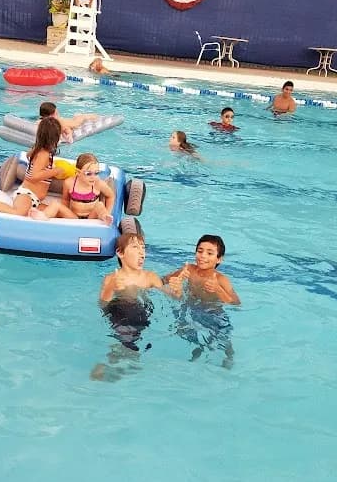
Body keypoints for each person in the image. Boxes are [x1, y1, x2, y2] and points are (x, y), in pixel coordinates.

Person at [0, 117, 74, 220]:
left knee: (55, 212)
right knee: (19, 212)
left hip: (35, 200)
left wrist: (46, 168)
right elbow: (33, 176)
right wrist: (55, 171)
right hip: (27, 194)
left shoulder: (40, 151)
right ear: (54, 137)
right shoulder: (43, 154)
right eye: (59, 134)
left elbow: (30, 156)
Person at [92, 233, 169, 380]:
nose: (141, 252)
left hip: (141, 313)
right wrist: (112, 287)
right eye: (135, 247)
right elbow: (102, 304)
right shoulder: (111, 278)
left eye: (143, 248)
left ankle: (114, 363)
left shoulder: (150, 277)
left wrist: (176, 289)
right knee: (129, 340)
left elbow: (170, 294)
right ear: (120, 253)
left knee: (131, 342)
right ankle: (113, 364)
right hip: (119, 310)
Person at [164, 235, 240, 367]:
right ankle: (197, 353)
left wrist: (218, 289)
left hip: (213, 314)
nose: (203, 256)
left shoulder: (221, 280)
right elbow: (162, 280)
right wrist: (176, 281)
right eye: (200, 251)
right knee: (186, 333)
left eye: (210, 253)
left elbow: (236, 303)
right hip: (191, 309)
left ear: (219, 259)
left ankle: (229, 356)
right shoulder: (188, 270)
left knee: (223, 340)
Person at [61, 152, 115, 224]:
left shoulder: (98, 183)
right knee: (55, 205)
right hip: (74, 217)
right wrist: (64, 217)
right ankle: (42, 223)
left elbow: (111, 196)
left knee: (100, 205)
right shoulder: (69, 183)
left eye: (96, 173)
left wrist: (108, 212)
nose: (93, 177)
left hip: (91, 217)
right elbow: (65, 200)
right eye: (88, 174)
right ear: (78, 172)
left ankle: (106, 217)